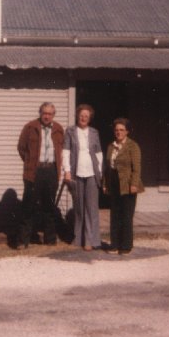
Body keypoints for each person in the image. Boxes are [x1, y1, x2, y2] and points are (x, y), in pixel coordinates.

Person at [16, 102, 64, 248]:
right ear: (40, 113)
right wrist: (30, 163)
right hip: (34, 172)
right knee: (28, 206)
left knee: (49, 207)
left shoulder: (59, 129)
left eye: (50, 113)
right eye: (44, 113)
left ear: (53, 115)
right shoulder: (30, 127)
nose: (47, 116)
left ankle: (50, 239)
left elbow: (62, 150)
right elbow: (21, 148)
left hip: (51, 171)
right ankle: (22, 241)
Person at [62, 104, 103, 250]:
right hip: (76, 172)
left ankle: (90, 240)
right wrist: (67, 170)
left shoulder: (94, 132)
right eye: (81, 115)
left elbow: (99, 154)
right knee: (79, 206)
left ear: (90, 118)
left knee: (91, 207)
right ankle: (78, 238)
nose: (83, 118)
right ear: (77, 116)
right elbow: (66, 151)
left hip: (91, 172)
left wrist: (99, 172)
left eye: (86, 116)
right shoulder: (70, 131)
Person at [103, 118, 144, 255]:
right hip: (114, 182)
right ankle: (114, 244)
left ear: (127, 131)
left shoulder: (133, 146)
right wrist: (105, 184)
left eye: (121, 130)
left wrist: (134, 184)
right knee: (115, 214)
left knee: (126, 215)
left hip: (127, 183)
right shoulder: (110, 146)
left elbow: (137, 168)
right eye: (116, 130)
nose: (118, 132)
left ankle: (126, 246)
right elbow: (107, 167)